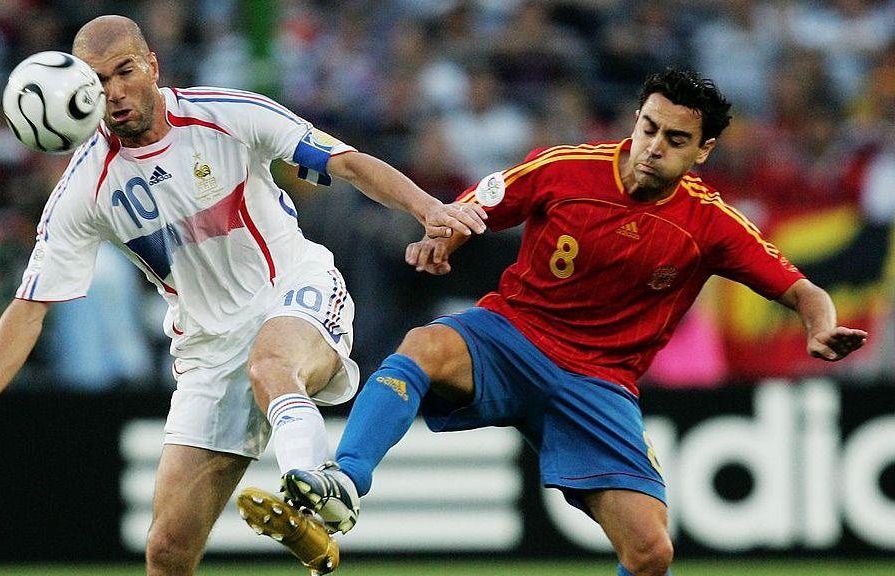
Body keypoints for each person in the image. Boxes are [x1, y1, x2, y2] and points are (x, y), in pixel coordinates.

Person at [246, 69, 868, 576]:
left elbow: (802, 289)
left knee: (652, 553)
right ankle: (343, 485)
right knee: (425, 344)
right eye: (649, 127)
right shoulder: (565, 166)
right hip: (512, 337)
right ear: (637, 120)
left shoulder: (712, 224)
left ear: (702, 151)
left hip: (599, 383)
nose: (654, 146)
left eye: (676, 139)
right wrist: (446, 235)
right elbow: (481, 204)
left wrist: (820, 326)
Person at [0, 14, 486, 576]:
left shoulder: (227, 113)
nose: (115, 93)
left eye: (124, 72)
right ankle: (315, 506)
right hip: (206, 349)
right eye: (98, 83)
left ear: (152, 65)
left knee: (270, 362)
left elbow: (345, 163)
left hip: (294, 290)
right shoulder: (85, 187)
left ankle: (316, 488)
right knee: (166, 553)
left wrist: (430, 209)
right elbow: (29, 309)